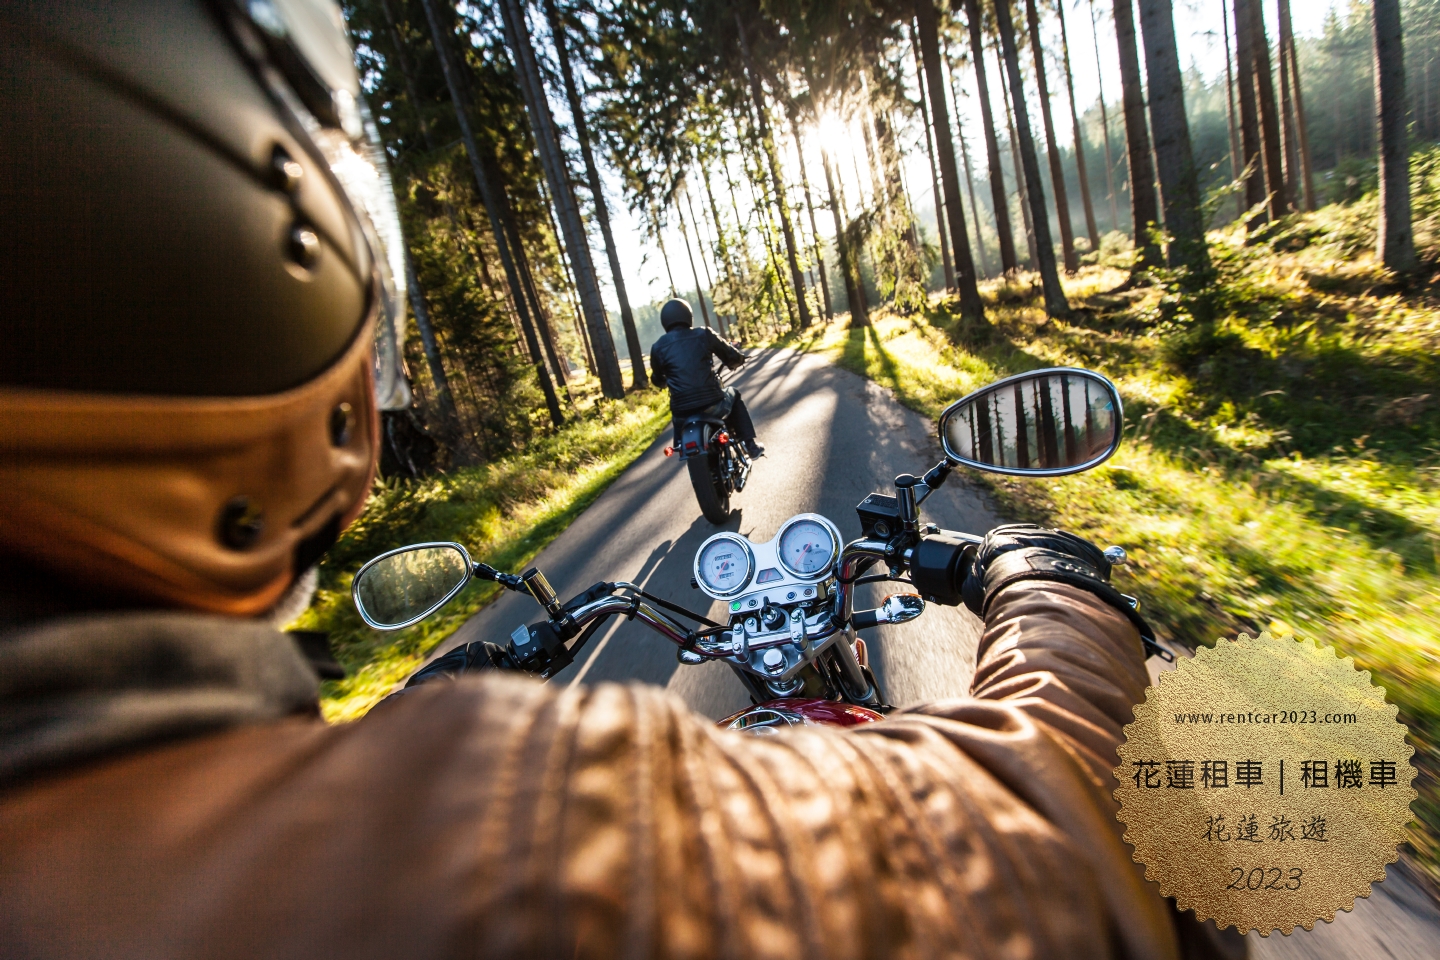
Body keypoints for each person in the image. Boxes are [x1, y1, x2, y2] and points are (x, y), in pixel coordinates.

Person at [0, 4, 1242, 958]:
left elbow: (684, 385)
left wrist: (461, 667)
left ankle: (721, 462)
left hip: (684, 424)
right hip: (728, 436)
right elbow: (1067, 845)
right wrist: (1049, 576)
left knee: (720, 420)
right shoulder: (487, 837)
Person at [648, 298, 765, 459]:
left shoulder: (658, 347)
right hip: (712, 404)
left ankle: (680, 446)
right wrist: (738, 359)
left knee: (677, 418)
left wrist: (663, 381)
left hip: (683, 413)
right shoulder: (703, 334)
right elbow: (730, 354)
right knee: (734, 394)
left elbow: (657, 378)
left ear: (665, 321)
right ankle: (750, 445)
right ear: (687, 315)